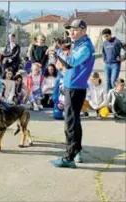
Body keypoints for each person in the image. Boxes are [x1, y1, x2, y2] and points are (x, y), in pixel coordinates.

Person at [50, 19, 95, 167]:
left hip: (76, 88)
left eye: (75, 30)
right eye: (70, 30)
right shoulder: (79, 44)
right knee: (74, 121)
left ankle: (69, 157)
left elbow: (70, 62)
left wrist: (57, 51)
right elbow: (69, 66)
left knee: (70, 122)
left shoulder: (86, 47)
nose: (71, 33)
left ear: (83, 30)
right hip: (71, 85)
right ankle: (77, 151)